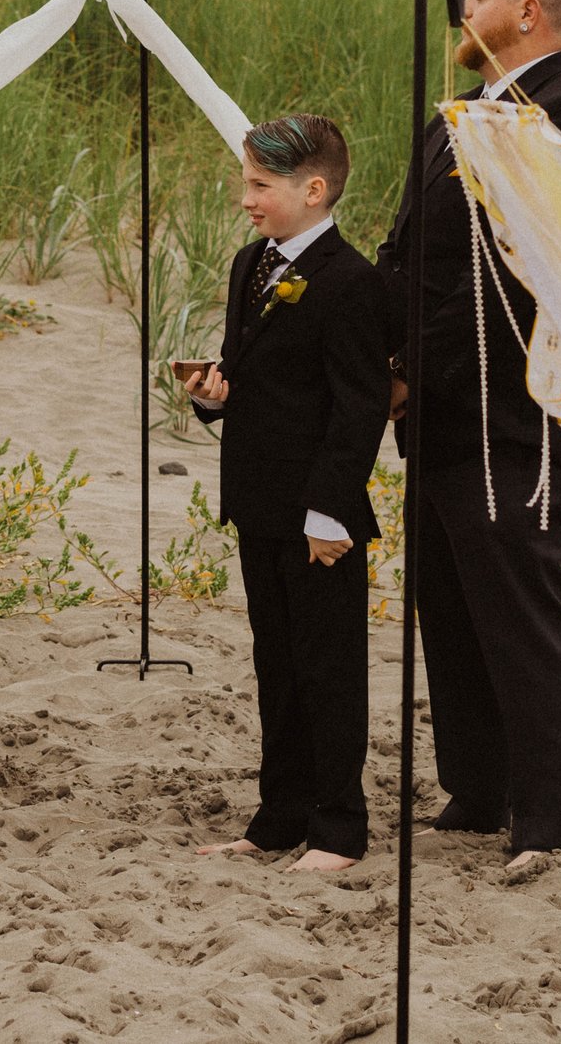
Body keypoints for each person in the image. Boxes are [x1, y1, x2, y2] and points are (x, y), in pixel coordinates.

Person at [376, 0, 561, 868]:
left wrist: (413, 367)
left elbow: (519, 284)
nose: (461, 9)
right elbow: (412, 251)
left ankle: (552, 819)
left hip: (516, 412)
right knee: (450, 603)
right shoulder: (456, 116)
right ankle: (478, 789)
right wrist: (377, 352)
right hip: (438, 409)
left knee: (523, 610)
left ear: (526, 13)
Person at [185, 114, 390, 872]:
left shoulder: (351, 281)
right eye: (246, 182)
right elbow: (252, 375)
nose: (247, 198)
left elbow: (358, 406)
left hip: (318, 514)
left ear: (313, 189)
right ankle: (279, 816)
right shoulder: (250, 265)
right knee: (276, 663)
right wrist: (213, 397)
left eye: (260, 185)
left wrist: (328, 509)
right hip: (258, 500)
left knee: (327, 670)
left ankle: (339, 827)